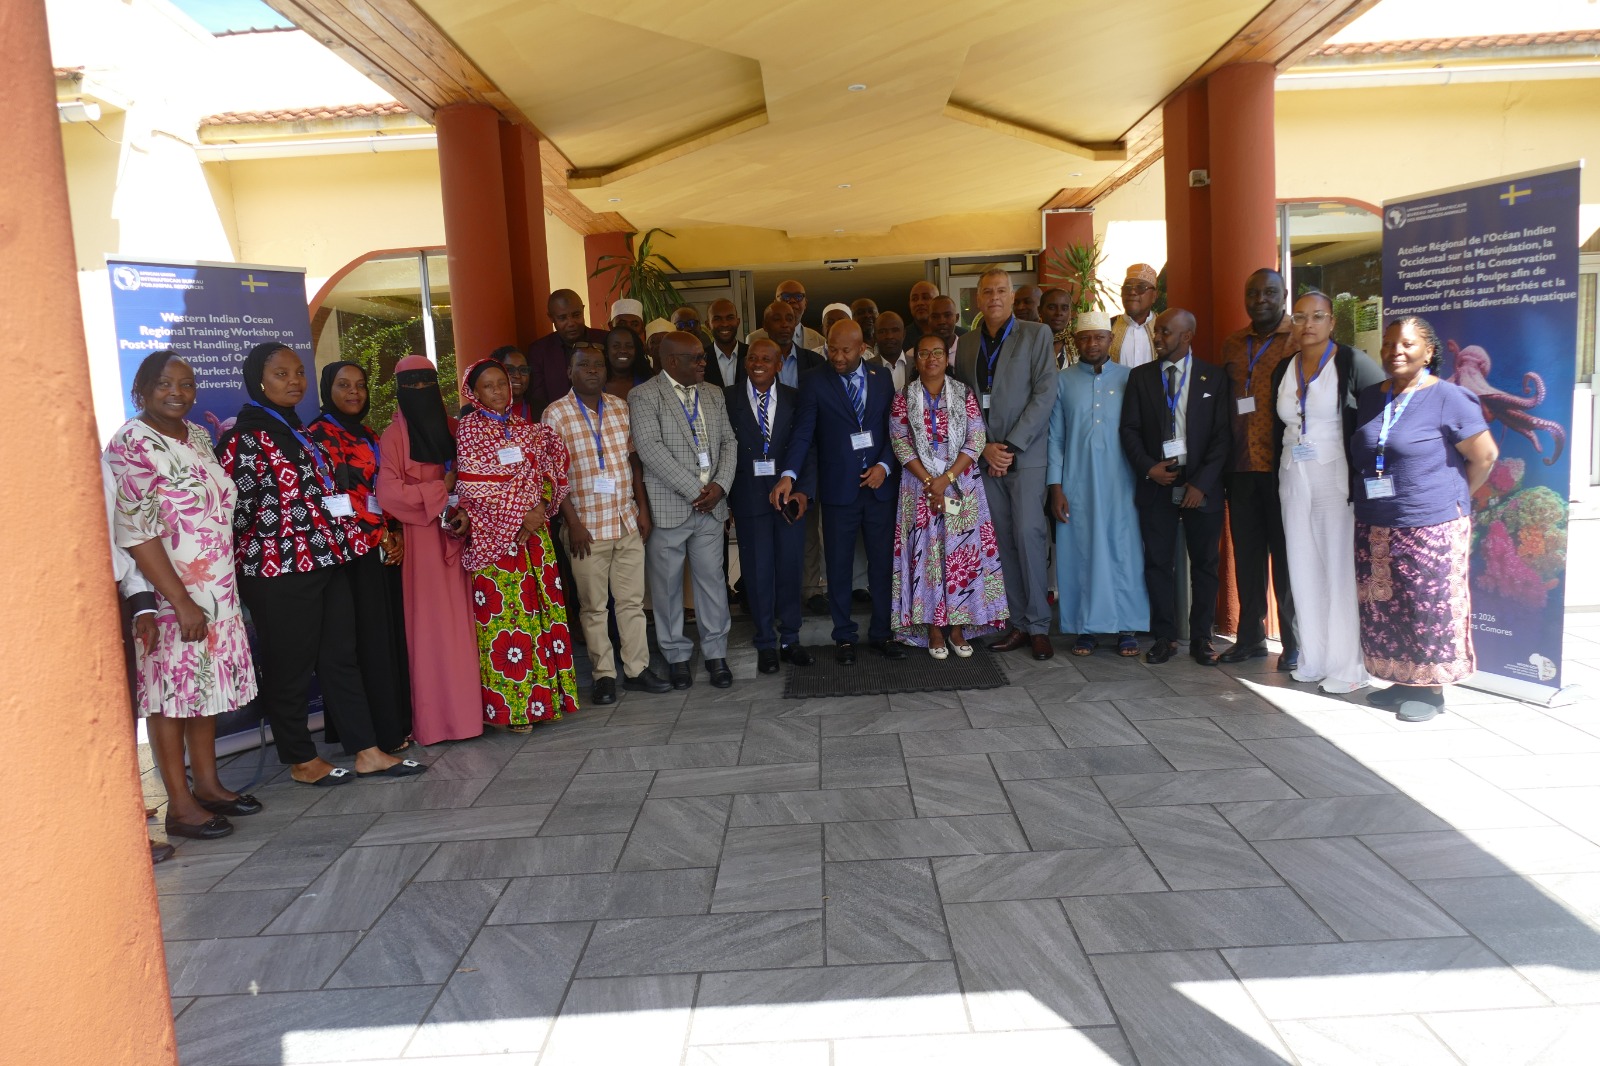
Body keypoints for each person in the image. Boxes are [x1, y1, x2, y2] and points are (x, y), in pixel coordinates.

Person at [220, 343, 425, 783]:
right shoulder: (243, 438)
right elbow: (234, 513)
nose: (294, 381)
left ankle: (367, 751)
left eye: (298, 372)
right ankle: (301, 760)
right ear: (258, 380)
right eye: (281, 374)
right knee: (290, 666)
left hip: (328, 560)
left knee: (340, 657)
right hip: (278, 570)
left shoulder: (301, 432)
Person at [106, 351, 260, 840]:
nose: (177, 392)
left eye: (187, 384)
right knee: (169, 696)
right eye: (164, 384)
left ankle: (208, 786)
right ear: (142, 390)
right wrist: (180, 600)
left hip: (217, 590)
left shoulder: (195, 435)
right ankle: (180, 805)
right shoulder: (131, 443)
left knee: (203, 688)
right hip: (170, 596)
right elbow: (136, 532)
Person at [1350, 315, 1498, 723]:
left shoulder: (1450, 397)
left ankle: (1431, 690)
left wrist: (1452, 499)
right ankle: (1403, 680)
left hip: (1430, 524)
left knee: (1426, 607)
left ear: (1429, 352)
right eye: (1388, 343)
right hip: (1376, 520)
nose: (1395, 351)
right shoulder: (1371, 397)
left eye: (1407, 344)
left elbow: (1485, 456)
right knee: (1387, 606)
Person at [455, 359, 581, 729]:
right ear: (474, 393)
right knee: (509, 626)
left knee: (541, 618)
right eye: (488, 386)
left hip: (534, 539)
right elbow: (474, 485)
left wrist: (538, 507)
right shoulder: (469, 431)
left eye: (501, 383)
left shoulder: (527, 429)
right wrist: (519, 514)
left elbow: (549, 472)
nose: (497, 391)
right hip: (496, 543)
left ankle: (546, 703)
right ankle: (514, 711)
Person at [1270, 292, 1385, 694]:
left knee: (1338, 568)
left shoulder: (1352, 362)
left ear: (1332, 322)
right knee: (1302, 566)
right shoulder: (1285, 367)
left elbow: (1379, 420)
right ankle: (1314, 658)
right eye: (1300, 317)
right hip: (1293, 474)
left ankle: (1348, 666)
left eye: (1317, 316)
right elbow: (1279, 425)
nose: (1308, 324)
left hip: (1335, 476)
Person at [543, 345, 671, 704]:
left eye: (598, 365)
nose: (592, 370)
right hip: (586, 530)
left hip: (625, 521)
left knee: (631, 603)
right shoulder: (555, 414)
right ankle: (603, 676)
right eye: (584, 365)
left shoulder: (619, 407)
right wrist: (573, 523)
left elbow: (634, 462)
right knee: (594, 608)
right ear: (569, 372)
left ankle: (636, 670)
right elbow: (552, 476)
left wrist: (642, 510)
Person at [777, 319, 904, 663]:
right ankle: (844, 637)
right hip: (838, 491)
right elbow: (804, 433)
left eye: (845, 350)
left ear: (863, 348)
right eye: (831, 349)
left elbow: (895, 431)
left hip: (879, 490)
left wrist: (885, 466)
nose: (837, 357)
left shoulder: (881, 379)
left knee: (882, 565)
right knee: (838, 566)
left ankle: (883, 633)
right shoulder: (814, 380)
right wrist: (789, 474)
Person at [376, 355, 484, 746]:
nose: (420, 392)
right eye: (412, 386)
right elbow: (388, 493)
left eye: (427, 384)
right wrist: (441, 489)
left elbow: (477, 479)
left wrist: (465, 509)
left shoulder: (455, 428)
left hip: (460, 536)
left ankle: (472, 717)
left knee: (466, 627)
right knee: (430, 630)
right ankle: (437, 724)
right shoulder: (394, 436)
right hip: (422, 541)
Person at [952, 268, 1059, 661]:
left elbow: (1045, 394)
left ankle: (1040, 626)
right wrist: (984, 448)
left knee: (1029, 535)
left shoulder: (1037, 334)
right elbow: (964, 402)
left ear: (1012, 297)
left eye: (1001, 290)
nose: (994, 297)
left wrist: (1010, 446)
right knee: (1001, 540)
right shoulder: (966, 344)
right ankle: (1018, 623)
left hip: (1024, 457)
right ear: (977, 299)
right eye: (987, 291)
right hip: (985, 458)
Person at [307, 361, 414, 750]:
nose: (354, 392)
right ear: (327, 390)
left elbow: (382, 488)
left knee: (383, 640)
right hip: (346, 553)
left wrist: (395, 531)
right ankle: (375, 734)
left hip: (380, 548)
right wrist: (381, 534)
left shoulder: (369, 434)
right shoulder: (317, 435)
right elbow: (336, 497)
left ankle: (392, 723)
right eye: (343, 385)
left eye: (360, 385)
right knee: (360, 643)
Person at [1119, 310, 1233, 666]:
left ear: (1187, 336)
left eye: (1165, 332)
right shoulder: (1141, 377)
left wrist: (1201, 484)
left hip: (1200, 485)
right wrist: (1148, 468)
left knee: (1205, 565)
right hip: (1158, 483)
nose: (1157, 337)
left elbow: (1223, 436)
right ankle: (1164, 638)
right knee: (1157, 563)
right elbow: (1129, 430)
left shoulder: (1214, 377)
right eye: (1158, 331)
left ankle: (1201, 638)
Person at [630, 331, 739, 688]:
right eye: (696, 358)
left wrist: (720, 486)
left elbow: (729, 442)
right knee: (667, 587)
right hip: (669, 508)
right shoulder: (644, 395)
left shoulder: (713, 393)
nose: (704, 362)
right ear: (672, 361)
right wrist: (697, 492)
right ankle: (676, 655)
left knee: (712, 583)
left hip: (711, 507)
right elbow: (650, 448)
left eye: (703, 356)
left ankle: (716, 653)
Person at [890, 333, 1009, 656]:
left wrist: (947, 479)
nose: (931, 359)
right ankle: (933, 630)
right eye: (924, 353)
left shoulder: (963, 393)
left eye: (938, 353)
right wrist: (930, 481)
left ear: (947, 358)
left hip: (961, 485)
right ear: (916, 360)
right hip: (919, 487)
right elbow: (900, 442)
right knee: (927, 557)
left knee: (961, 556)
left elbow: (976, 439)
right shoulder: (903, 397)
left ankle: (958, 629)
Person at [1048, 312, 1148, 656]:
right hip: (1077, 483)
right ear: (1076, 341)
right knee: (1081, 551)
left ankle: (1126, 626)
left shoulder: (1130, 378)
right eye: (1085, 338)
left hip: (1122, 482)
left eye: (1099, 337)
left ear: (1110, 340)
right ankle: (1085, 627)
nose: (1092, 344)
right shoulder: (1062, 381)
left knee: (1124, 550)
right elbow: (1055, 438)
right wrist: (1055, 487)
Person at [1218, 268, 1299, 669]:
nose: (1261, 300)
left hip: (1283, 467)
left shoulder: (1298, 339)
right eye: (1253, 293)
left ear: (1283, 295)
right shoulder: (1233, 343)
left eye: (1269, 292)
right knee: (1247, 559)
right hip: (1240, 466)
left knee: (1287, 558)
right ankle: (1250, 637)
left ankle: (1295, 643)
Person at [725, 338, 818, 672]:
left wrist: (804, 492)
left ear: (779, 365)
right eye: (753, 358)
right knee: (757, 571)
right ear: (745, 362)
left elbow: (808, 448)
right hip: (748, 497)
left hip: (789, 500)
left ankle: (790, 639)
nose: (758, 364)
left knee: (790, 569)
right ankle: (765, 641)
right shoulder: (728, 398)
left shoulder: (795, 398)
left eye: (767, 359)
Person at [528, 289, 608, 416]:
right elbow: (538, 399)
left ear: (583, 310)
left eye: (576, 315)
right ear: (551, 317)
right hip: (558, 421)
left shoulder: (604, 340)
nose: (571, 323)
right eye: (562, 318)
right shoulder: (539, 351)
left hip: (604, 416)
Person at [748, 280, 827, 351]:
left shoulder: (819, 341)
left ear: (805, 304)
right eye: (785, 296)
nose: (792, 301)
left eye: (798, 296)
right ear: (775, 303)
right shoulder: (754, 338)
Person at [760, 300, 825, 386]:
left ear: (795, 324)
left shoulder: (815, 361)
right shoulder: (754, 363)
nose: (785, 324)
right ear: (765, 325)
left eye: (789, 319)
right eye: (777, 319)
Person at [1111, 264, 1159, 368]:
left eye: (1141, 287)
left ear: (1154, 296)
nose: (1132, 292)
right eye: (1127, 288)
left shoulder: (1164, 329)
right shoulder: (1108, 327)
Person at [703, 298, 747, 388]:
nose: (724, 324)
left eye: (730, 318)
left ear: (738, 322)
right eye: (717, 319)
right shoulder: (700, 359)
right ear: (708, 325)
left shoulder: (752, 354)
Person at [603, 324, 653, 401]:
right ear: (606, 352)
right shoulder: (595, 383)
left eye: (629, 346)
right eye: (616, 346)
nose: (623, 350)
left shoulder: (648, 382)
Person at [488, 345, 537, 422]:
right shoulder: (474, 412)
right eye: (510, 370)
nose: (517, 376)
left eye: (523, 370)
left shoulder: (541, 409)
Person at [867, 310, 910, 390]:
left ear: (904, 334)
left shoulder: (917, 365)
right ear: (875, 336)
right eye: (882, 331)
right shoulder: (866, 368)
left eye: (895, 330)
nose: (889, 336)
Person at [1041, 286, 1078, 369]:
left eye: (1064, 308)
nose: (1058, 313)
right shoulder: (1030, 343)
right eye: (1052, 308)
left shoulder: (1078, 344)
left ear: (1070, 313)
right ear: (1039, 310)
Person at [926, 295, 962, 365]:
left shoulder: (968, 351)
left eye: (947, 315)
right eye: (935, 317)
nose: (941, 321)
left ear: (957, 318)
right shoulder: (917, 353)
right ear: (928, 320)